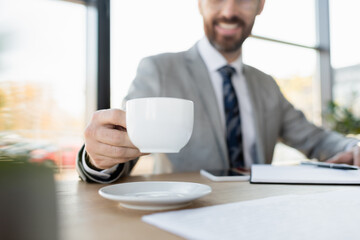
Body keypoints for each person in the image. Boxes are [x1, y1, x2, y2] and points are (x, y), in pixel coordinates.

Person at [77, 0, 360, 183]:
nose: (229, 11)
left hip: (260, 212)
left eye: (244, 0)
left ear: (261, 5)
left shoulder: (266, 84)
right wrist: (100, 158)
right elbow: (123, 142)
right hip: (182, 213)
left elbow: (315, 139)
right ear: (199, 3)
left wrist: (352, 148)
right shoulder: (159, 70)